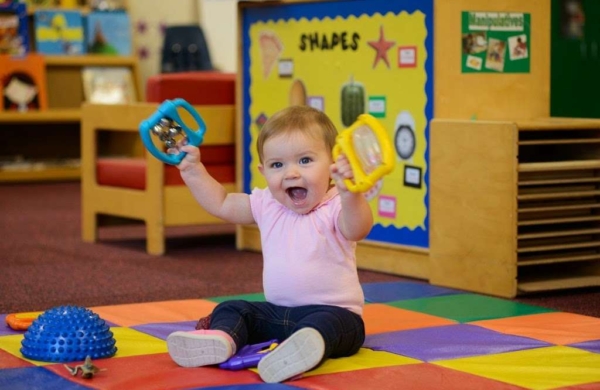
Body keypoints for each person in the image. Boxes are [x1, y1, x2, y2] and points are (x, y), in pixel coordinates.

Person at [165, 105, 374, 383]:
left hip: (335, 314)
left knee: (330, 326)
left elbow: (358, 228)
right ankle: (223, 340)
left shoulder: (336, 204)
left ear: (332, 164)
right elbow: (222, 203)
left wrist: (351, 194)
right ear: (264, 171)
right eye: (278, 165)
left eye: (305, 161)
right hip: (279, 315)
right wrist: (193, 171)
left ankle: (306, 346)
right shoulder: (268, 204)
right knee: (232, 308)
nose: (290, 173)